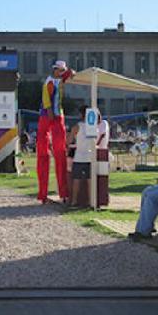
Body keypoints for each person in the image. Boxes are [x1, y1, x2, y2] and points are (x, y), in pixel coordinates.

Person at [36, 60, 74, 203]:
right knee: (43, 154)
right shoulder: (49, 82)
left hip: (58, 116)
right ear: (54, 70)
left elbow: (71, 73)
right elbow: (46, 98)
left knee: (60, 154)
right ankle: (43, 193)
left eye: (62, 71)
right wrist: (49, 110)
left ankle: (63, 192)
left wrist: (69, 72)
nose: (61, 73)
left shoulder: (61, 79)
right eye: (59, 70)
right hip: (48, 115)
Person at [67, 105, 93, 208]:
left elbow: (69, 141)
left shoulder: (76, 127)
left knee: (76, 180)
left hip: (79, 156)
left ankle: (74, 201)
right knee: (90, 180)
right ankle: (91, 201)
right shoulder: (92, 126)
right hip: (90, 156)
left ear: (80, 114)